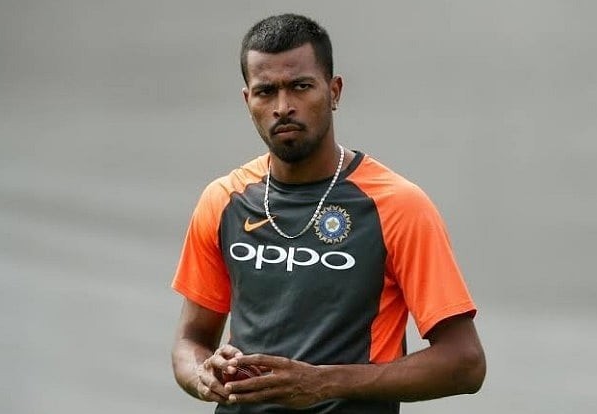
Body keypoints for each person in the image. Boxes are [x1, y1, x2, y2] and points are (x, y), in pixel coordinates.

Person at [171, 13, 486, 414]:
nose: (283, 107)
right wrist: (202, 374)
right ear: (248, 100)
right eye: (266, 92)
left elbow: (465, 362)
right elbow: (190, 341)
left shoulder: (398, 206)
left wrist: (323, 383)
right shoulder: (223, 200)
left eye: (300, 87)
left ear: (334, 91)